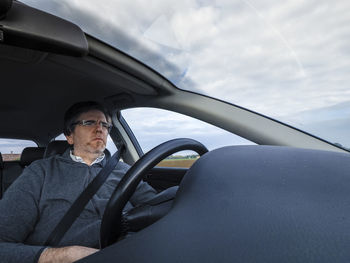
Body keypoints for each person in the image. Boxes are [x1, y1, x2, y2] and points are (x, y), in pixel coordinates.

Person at [0, 101, 158, 263]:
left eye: (105, 125)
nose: (100, 129)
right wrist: (59, 256)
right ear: (70, 136)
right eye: (89, 122)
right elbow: (3, 244)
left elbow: (157, 208)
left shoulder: (125, 171)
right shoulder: (40, 172)